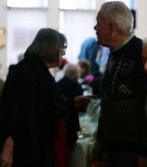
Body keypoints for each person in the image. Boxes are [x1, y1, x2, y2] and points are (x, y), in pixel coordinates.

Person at [0, 28, 91, 167]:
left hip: (37, 143)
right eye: (62, 48)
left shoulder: (39, 72)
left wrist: (73, 103)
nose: (64, 53)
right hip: (26, 146)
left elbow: (50, 105)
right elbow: (10, 113)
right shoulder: (24, 72)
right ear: (50, 48)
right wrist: (8, 146)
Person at [93, 1, 147, 167]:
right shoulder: (114, 53)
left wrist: (145, 151)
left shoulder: (142, 54)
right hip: (113, 147)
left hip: (132, 151)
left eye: (98, 24)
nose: (95, 29)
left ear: (112, 28)